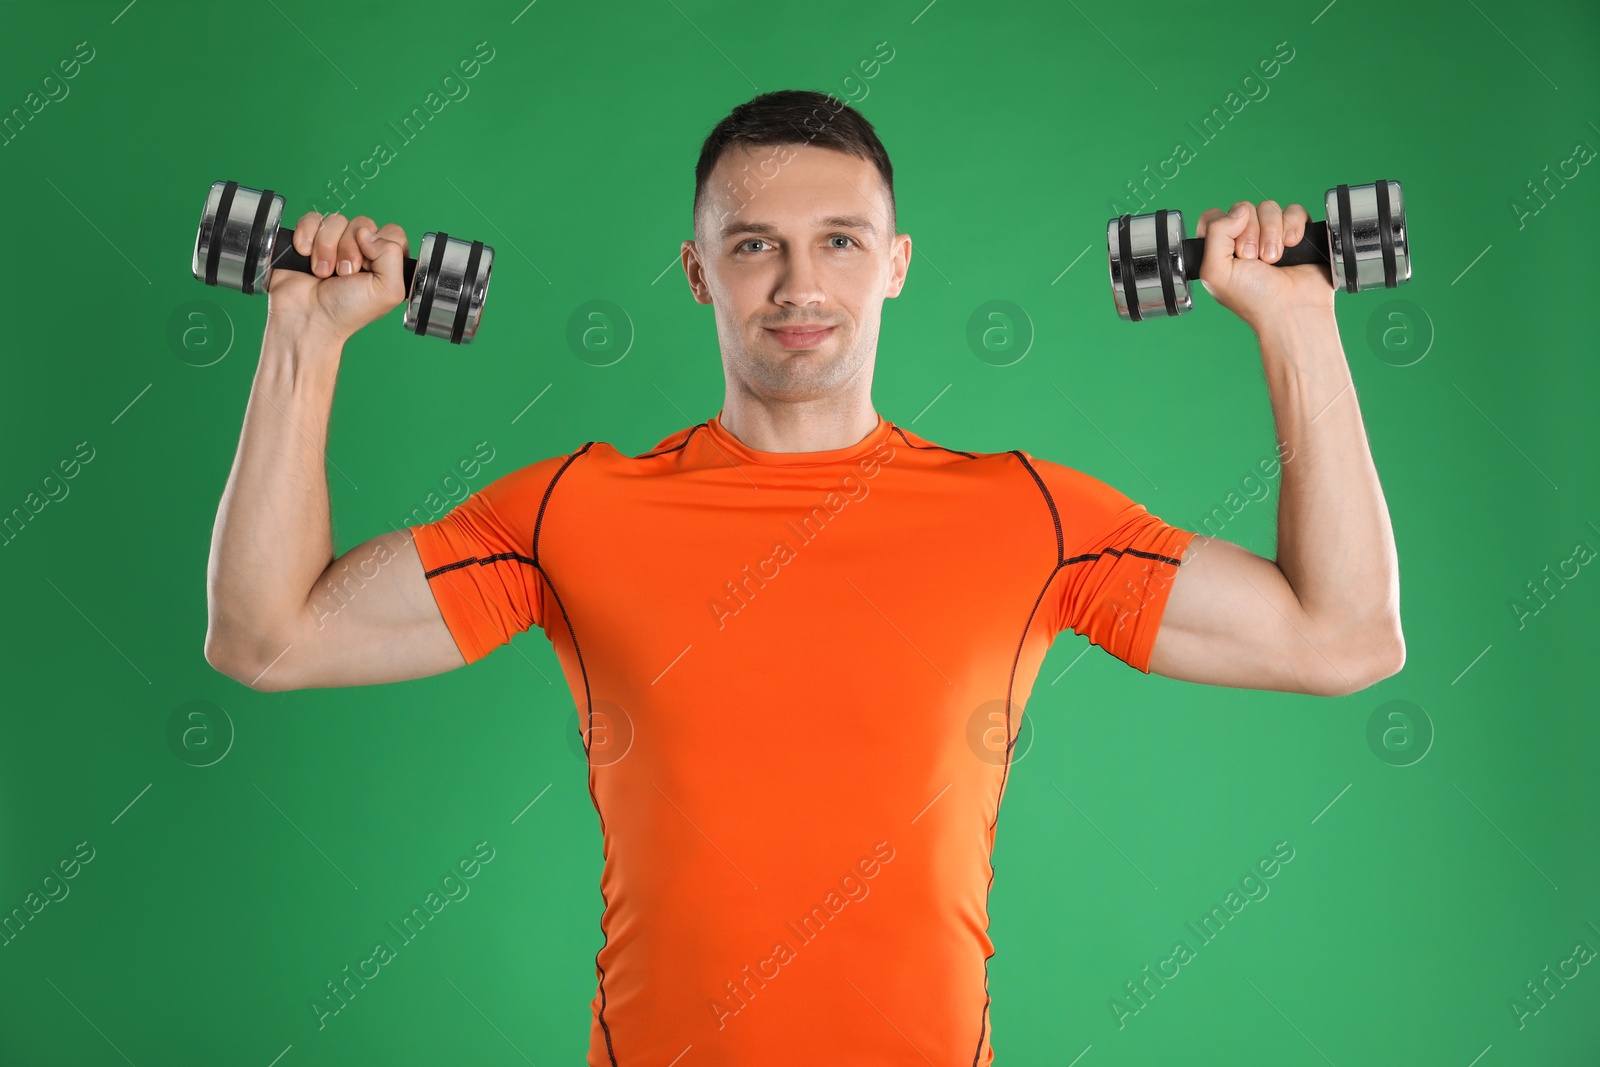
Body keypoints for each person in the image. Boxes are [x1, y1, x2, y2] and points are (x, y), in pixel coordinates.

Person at [204, 89, 1404, 1065]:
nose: (798, 285)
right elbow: (267, 636)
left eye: (839, 241)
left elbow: (1343, 637)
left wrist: (1298, 322)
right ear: (696, 272)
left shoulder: (1028, 516)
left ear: (895, 265)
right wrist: (303, 337)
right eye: (754, 246)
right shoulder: (572, 510)